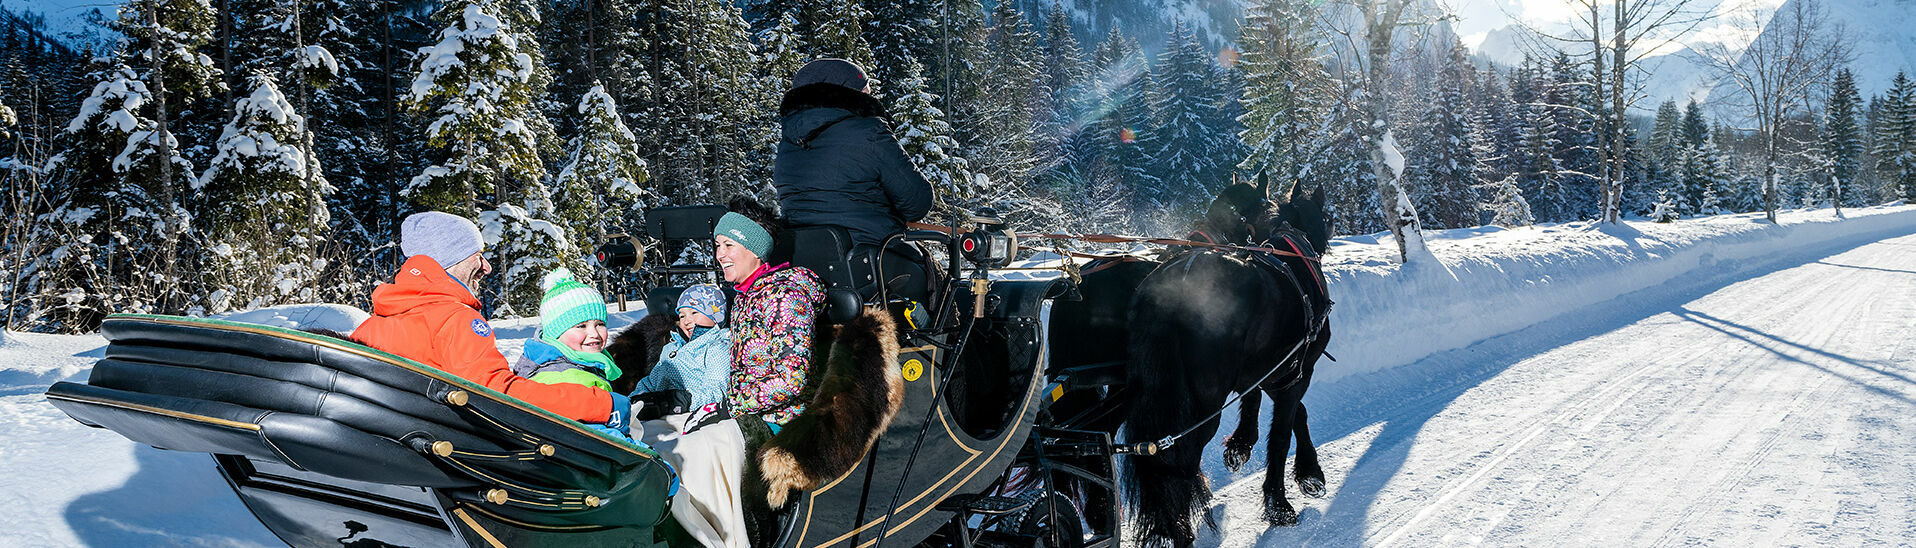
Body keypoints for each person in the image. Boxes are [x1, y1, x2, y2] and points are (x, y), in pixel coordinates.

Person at [352, 212, 629, 437]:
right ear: (452, 259)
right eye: (478, 254)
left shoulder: (373, 325)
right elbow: (499, 396)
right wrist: (600, 404)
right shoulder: (454, 318)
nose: (487, 267)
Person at [773, 57, 934, 302]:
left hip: (805, 268)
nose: (871, 96)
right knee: (942, 282)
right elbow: (918, 202)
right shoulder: (868, 131)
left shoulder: (788, 143)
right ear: (847, 92)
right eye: (865, 90)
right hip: (869, 264)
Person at [628, 284, 732, 412]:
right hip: (659, 411)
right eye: (682, 316)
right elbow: (651, 382)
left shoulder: (716, 348)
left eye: (694, 312)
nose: (686, 321)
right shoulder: (671, 348)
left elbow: (717, 391)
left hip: (691, 412)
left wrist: (678, 400)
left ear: (716, 316)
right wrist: (635, 398)